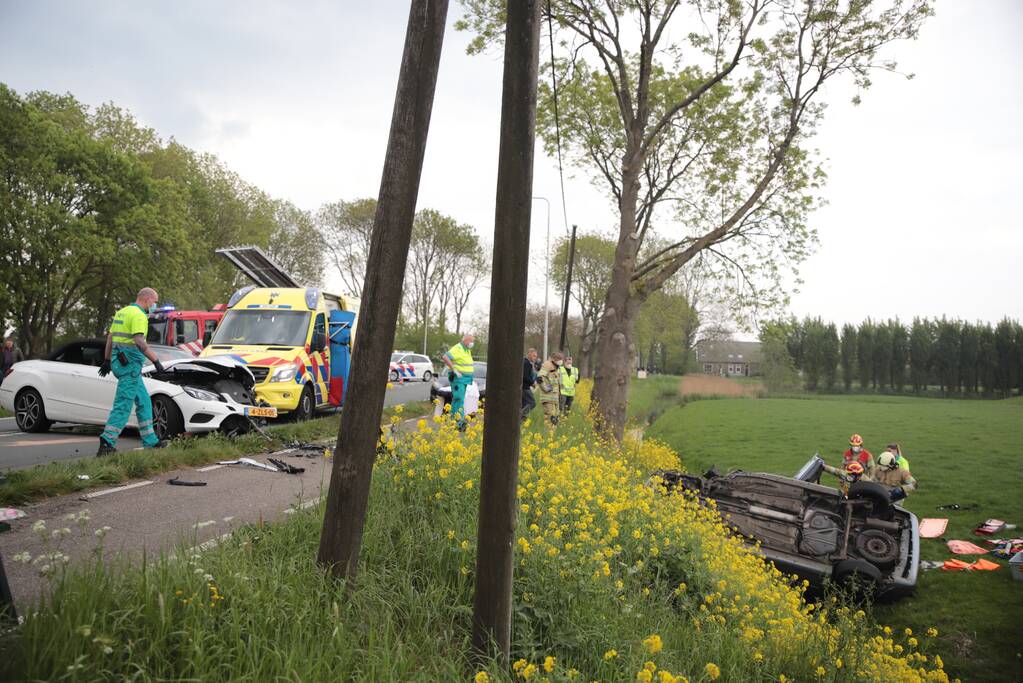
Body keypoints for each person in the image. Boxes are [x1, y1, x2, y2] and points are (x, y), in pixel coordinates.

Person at [96, 288, 169, 456]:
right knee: (123, 404)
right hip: (130, 366)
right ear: (146, 299)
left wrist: (107, 360)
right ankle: (107, 441)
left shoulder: (122, 312)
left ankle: (151, 441)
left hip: (118, 361)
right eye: (154, 301)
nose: (154, 305)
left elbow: (110, 338)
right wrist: (156, 360)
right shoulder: (138, 315)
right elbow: (139, 341)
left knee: (144, 401)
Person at [442, 333, 475, 428]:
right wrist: (453, 369)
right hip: (458, 378)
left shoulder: (467, 350)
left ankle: (453, 420)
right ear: (466, 340)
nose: (472, 343)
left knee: (457, 399)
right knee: (459, 398)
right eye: (471, 341)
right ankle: (459, 422)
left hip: (465, 379)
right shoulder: (458, 348)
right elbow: (445, 357)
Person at [536, 352, 564, 429]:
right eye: (559, 359)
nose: (560, 361)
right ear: (553, 359)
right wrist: (546, 389)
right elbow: (539, 378)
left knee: (555, 418)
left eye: (561, 359)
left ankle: (551, 437)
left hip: (555, 397)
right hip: (548, 397)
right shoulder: (547, 365)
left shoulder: (557, 368)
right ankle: (548, 435)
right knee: (550, 417)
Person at [521, 348, 538, 422]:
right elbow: (525, 377)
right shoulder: (526, 363)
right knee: (532, 403)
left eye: (536, 356)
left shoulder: (525, 362)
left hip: (523, 387)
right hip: (525, 388)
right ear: (529, 354)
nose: (535, 358)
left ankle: (521, 420)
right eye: (534, 356)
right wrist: (532, 383)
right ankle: (520, 415)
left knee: (524, 404)